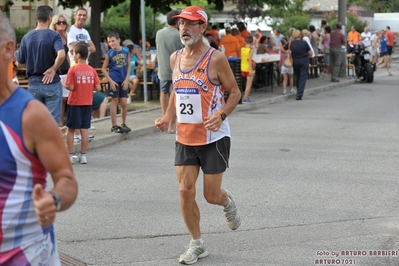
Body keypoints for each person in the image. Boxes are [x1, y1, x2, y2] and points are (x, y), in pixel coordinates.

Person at [154, 6, 242, 265]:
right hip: (184, 137)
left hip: (213, 137)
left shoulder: (216, 59)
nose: (184, 28)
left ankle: (228, 202)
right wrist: (168, 116)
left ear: (203, 27)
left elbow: (234, 92)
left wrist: (222, 115)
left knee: (211, 196)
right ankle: (197, 243)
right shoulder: (174, 58)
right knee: (184, 191)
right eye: (181, 23)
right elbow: (176, 91)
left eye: (191, 24)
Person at [0, 12, 78, 265]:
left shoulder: (31, 116)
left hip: (25, 255)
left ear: (8, 49)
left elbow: (66, 180)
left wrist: (53, 200)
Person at [16, 5, 65, 125]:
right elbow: (62, 55)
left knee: (35, 123)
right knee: (52, 124)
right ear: (49, 18)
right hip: (52, 83)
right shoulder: (54, 36)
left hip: (33, 84)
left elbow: (18, 63)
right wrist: (53, 69)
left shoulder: (26, 37)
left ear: (37, 17)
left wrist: (33, 66)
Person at [63, 42, 101, 164]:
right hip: (87, 102)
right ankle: (83, 155)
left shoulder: (73, 69)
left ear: (78, 55)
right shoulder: (92, 70)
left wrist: (62, 84)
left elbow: (71, 87)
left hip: (74, 102)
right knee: (84, 129)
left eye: (73, 53)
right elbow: (98, 88)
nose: (73, 55)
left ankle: (69, 155)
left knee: (71, 129)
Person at [155, 9, 184, 134]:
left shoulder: (159, 33)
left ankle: (164, 119)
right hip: (176, 69)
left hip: (162, 69)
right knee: (175, 95)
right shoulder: (179, 35)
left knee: (164, 93)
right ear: (178, 21)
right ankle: (172, 124)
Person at [102, 32, 131, 133]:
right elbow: (104, 69)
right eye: (109, 42)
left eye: (113, 41)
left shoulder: (126, 51)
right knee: (115, 101)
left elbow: (128, 65)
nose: (111, 43)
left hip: (123, 80)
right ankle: (114, 125)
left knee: (124, 102)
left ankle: (123, 123)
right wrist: (110, 81)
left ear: (119, 40)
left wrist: (127, 79)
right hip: (114, 80)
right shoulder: (109, 54)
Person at [49, 13, 71, 127]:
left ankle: (65, 122)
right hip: (57, 71)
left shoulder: (66, 37)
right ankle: (60, 123)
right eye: (59, 22)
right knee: (60, 100)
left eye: (63, 22)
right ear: (54, 24)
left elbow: (67, 54)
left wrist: (72, 67)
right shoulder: (53, 36)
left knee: (67, 99)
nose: (61, 24)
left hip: (67, 70)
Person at [283, 29, 313, 100]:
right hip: (304, 61)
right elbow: (310, 53)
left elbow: (283, 49)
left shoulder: (291, 43)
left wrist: (288, 52)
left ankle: (298, 91)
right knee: (303, 77)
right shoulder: (304, 43)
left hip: (295, 61)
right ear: (300, 35)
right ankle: (299, 94)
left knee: (298, 76)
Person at [241, 35, 255, 103]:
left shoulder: (242, 49)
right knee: (249, 83)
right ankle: (245, 98)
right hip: (249, 68)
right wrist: (250, 70)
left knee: (246, 82)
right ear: (252, 42)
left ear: (245, 41)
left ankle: (246, 96)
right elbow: (249, 59)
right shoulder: (251, 50)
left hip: (243, 67)